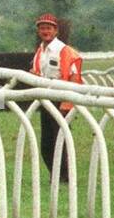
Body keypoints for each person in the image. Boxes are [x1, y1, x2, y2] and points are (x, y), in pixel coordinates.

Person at [29, 13, 83, 181]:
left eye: (48, 28)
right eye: (42, 28)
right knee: (47, 142)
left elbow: (74, 76)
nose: (45, 31)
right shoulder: (40, 50)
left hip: (61, 98)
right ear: (38, 31)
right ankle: (56, 175)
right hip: (46, 97)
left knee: (59, 139)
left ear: (56, 31)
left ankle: (65, 176)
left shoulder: (65, 51)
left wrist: (68, 102)